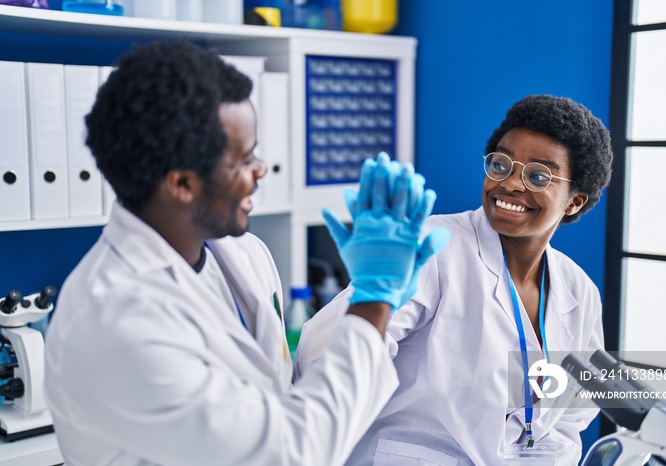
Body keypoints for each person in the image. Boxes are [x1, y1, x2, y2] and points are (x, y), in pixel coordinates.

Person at [43, 40, 450, 466]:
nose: (261, 169)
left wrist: (372, 314)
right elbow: (290, 451)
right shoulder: (116, 323)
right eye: (244, 158)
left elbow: (286, 394)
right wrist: (373, 299)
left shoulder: (242, 254)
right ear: (182, 184)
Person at [297, 94, 614, 465]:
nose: (510, 183)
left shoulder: (579, 291)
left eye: (538, 175)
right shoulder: (433, 248)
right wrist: (374, 292)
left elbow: (571, 415)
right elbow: (329, 357)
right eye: (501, 164)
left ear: (575, 201)